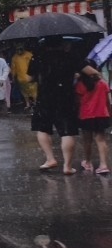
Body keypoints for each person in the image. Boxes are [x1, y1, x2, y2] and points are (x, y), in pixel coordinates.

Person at [29, 37, 101, 175]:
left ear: (45, 45)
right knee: (67, 131)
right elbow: (93, 73)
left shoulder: (38, 58)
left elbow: (29, 78)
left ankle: (50, 159)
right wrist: (77, 76)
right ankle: (67, 166)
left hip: (45, 97)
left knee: (43, 128)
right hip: (66, 97)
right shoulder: (70, 57)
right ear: (62, 44)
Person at [76, 72, 111, 175]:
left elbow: (78, 101)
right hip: (101, 114)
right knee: (101, 140)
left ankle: (87, 162)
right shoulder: (103, 83)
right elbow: (108, 100)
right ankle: (103, 165)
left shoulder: (80, 84)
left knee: (87, 140)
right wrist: (109, 112)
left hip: (86, 115)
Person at [11, 44, 36, 111]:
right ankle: (28, 104)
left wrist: (34, 74)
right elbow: (13, 68)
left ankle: (35, 103)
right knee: (24, 92)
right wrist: (13, 77)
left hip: (29, 77)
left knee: (33, 91)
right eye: (17, 49)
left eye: (20, 49)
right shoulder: (14, 57)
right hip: (21, 78)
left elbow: (33, 65)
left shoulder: (29, 55)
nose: (19, 51)